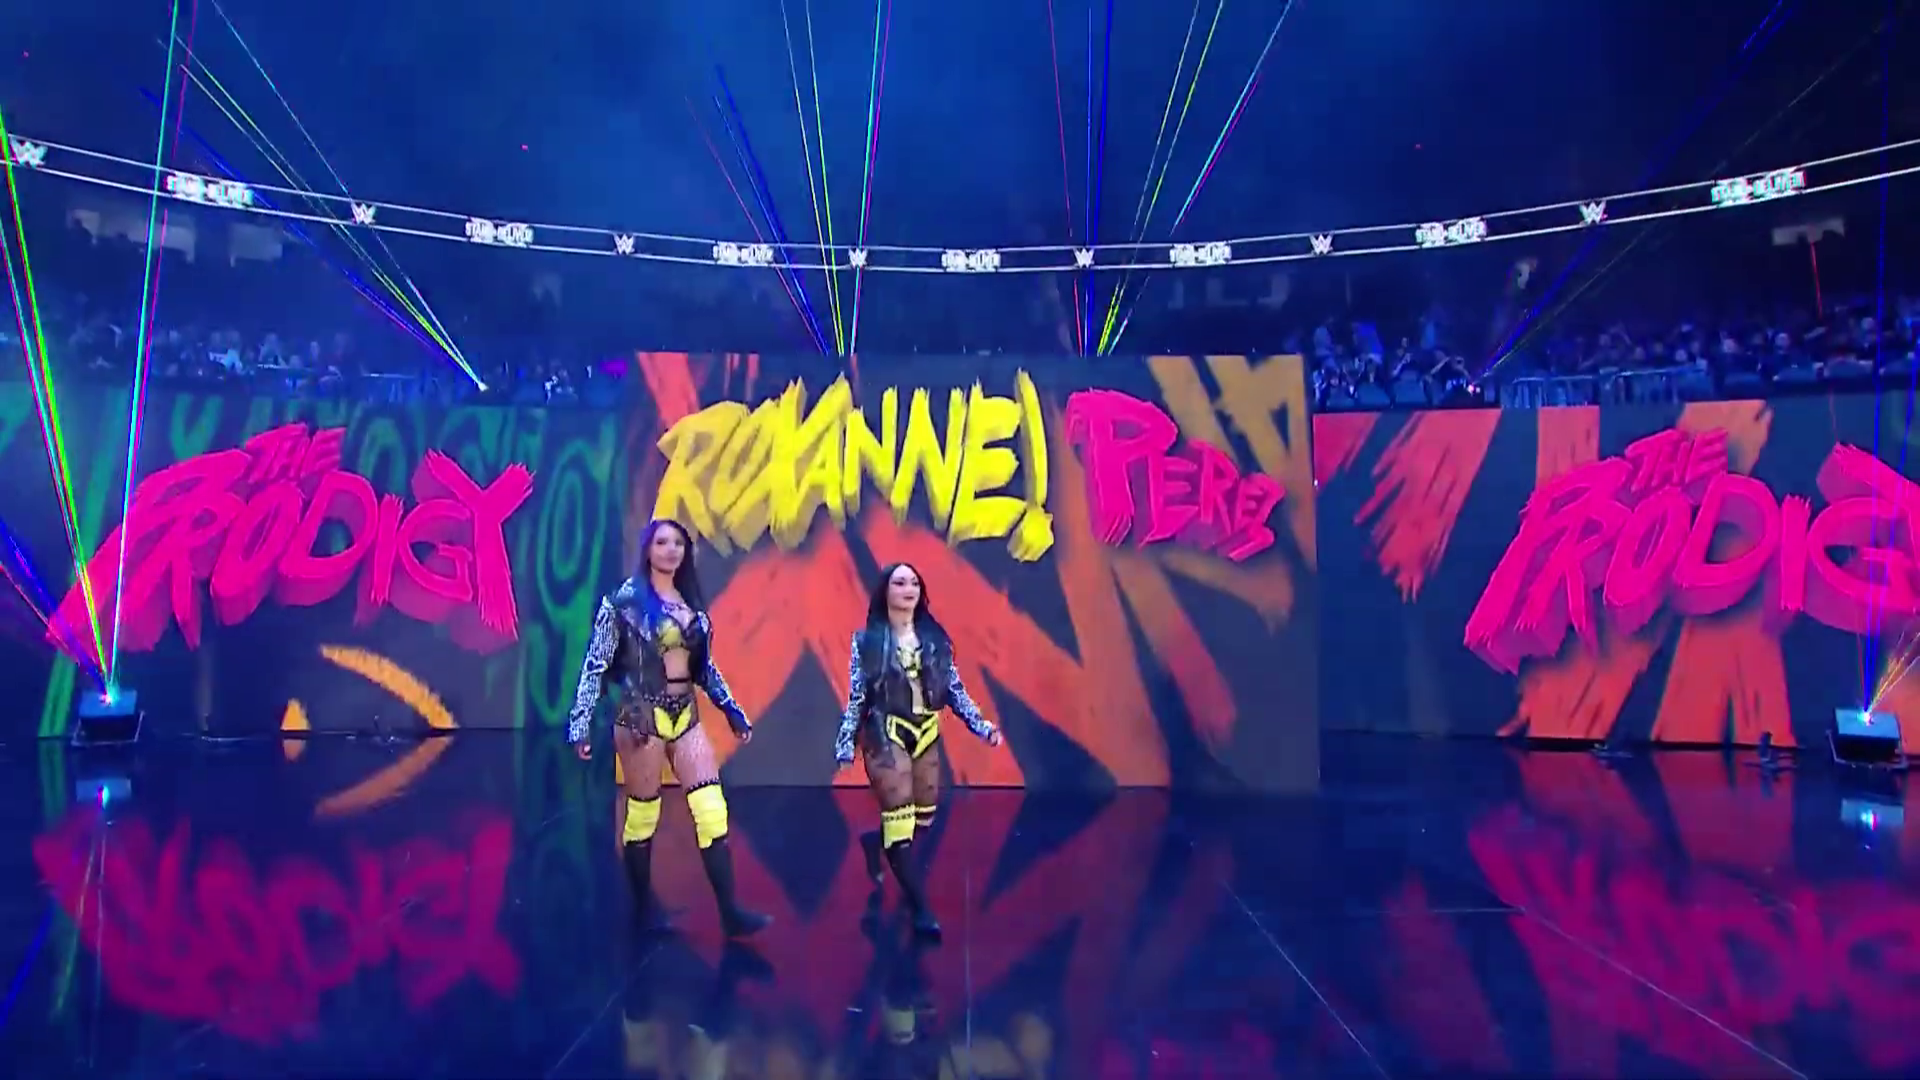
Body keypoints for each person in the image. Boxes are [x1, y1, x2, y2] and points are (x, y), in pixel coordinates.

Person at [570, 518, 770, 938]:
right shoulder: (623, 603)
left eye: (678, 543)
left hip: (685, 713)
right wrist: (580, 722)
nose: (671, 549)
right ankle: (643, 910)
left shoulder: (691, 605)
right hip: (641, 717)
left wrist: (731, 711)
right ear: (647, 549)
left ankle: (730, 912)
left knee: (712, 810)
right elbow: (596, 665)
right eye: (662, 542)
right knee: (644, 815)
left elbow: (705, 670)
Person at [835, 562, 1002, 936]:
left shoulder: (935, 640)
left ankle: (874, 841)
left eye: (913, 583)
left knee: (921, 821)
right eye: (899, 582)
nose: (907, 589)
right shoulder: (867, 642)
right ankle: (920, 908)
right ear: (886, 591)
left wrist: (981, 726)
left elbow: (954, 689)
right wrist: (846, 741)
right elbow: (858, 696)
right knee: (899, 821)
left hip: (926, 731)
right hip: (885, 733)